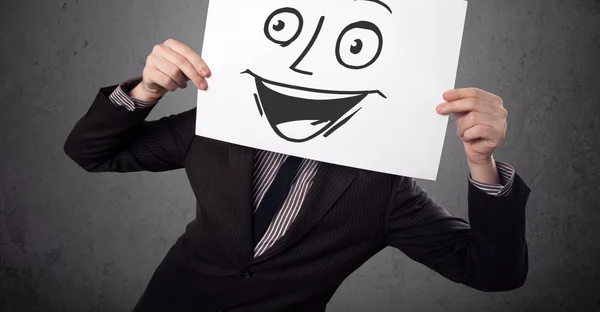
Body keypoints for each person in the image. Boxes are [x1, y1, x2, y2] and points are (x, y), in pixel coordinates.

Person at [63, 38, 530, 312]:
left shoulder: (383, 189)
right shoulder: (216, 129)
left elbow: (493, 272)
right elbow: (91, 152)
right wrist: (145, 89)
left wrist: (479, 163)